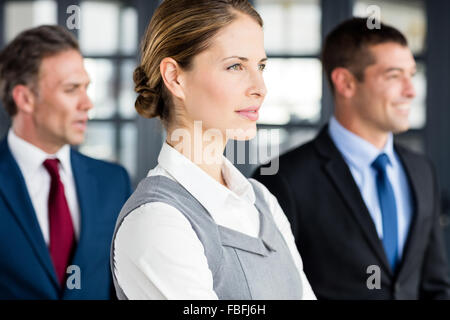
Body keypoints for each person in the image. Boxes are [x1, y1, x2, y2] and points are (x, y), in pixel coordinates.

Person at [110, 0, 316, 300]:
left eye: (260, 66)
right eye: (235, 66)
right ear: (175, 77)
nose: (260, 87)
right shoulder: (156, 221)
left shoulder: (263, 202)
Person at [253, 17, 450, 299]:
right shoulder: (282, 180)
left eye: (412, 74)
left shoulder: (421, 170)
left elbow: (435, 286)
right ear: (345, 82)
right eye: (394, 76)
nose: (411, 91)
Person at [0, 25, 132, 299]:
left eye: (86, 88)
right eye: (72, 89)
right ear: (25, 98)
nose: (87, 104)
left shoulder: (113, 182)